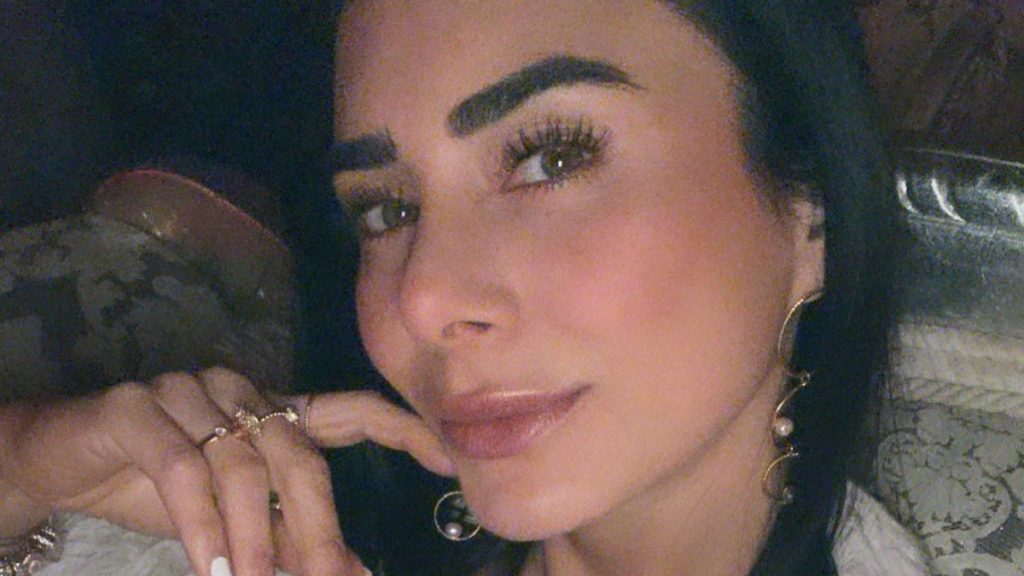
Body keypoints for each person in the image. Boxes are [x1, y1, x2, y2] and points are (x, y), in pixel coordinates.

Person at [0, 1, 930, 575]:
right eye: (385, 210)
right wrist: (21, 474)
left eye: (550, 158)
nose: (423, 298)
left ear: (810, 213)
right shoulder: (274, 531)